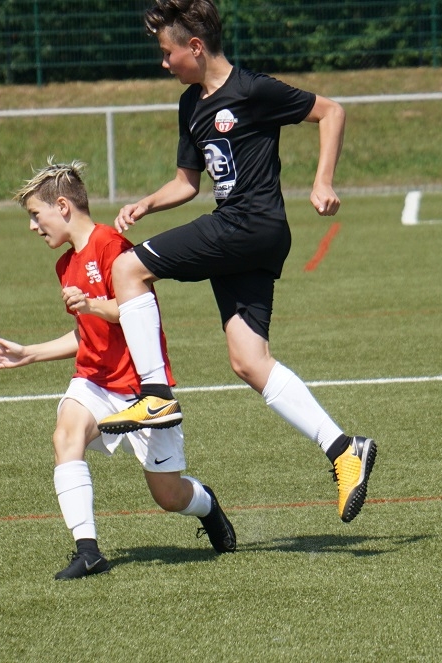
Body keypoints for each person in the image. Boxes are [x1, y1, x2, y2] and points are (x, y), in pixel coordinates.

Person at [96, 0, 377, 523]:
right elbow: (187, 183)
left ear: (195, 47)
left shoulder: (251, 90)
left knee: (128, 268)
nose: (164, 62)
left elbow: (331, 111)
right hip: (245, 236)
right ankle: (344, 449)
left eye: (168, 52)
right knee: (249, 360)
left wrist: (322, 181)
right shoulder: (190, 104)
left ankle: (154, 393)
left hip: (249, 225)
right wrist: (146, 204)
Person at [0, 159, 236, 580]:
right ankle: (88, 551)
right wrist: (29, 353)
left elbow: (134, 311)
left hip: (143, 391)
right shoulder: (65, 265)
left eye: (36, 215)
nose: (32, 226)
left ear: (62, 206)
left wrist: (91, 304)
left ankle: (206, 505)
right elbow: (87, 334)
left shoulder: (112, 245)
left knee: (169, 495)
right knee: (65, 436)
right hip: (95, 381)